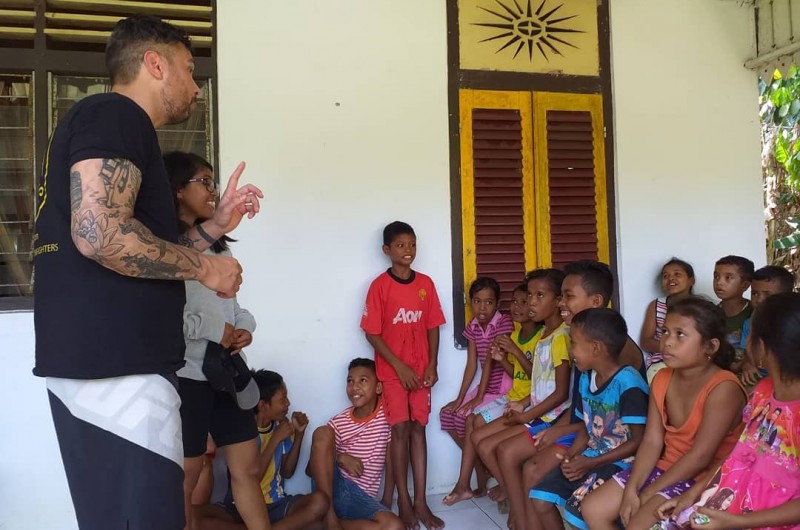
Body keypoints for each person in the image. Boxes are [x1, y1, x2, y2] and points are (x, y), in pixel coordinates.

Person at [32, 15, 262, 529]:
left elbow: (135, 250)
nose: (196, 86)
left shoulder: (110, 125)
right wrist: (206, 266)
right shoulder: (115, 114)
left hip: (113, 365)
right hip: (116, 370)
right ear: (155, 64)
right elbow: (100, 234)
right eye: (188, 67)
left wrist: (211, 229)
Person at [165, 150, 268, 530]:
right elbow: (166, 321)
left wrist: (244, 329)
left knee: (247, 468)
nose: (212, 191)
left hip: (227, 373)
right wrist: (215, 332)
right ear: (177, 189)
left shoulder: (218, 245)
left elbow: (234, 307)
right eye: (203, 182)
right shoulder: (165, 250)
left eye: (212, 182)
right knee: (187, 478)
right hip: (191, 375)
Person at [582, 297, 747, 530]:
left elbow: (701, 456)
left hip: (703, 477)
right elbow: (651, 441)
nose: (667, 342)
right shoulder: (661, 378)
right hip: (666, 466)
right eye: (665, 332)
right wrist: (632, 488)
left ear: (710, 346)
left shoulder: (723, 388)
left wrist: (649, 491)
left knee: (637, 524)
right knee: (593, 508)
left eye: (680, 334)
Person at [655, 293, 800, 530]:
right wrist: (692, 494)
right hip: (730, 504)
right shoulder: (763, 392)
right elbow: (740, 451)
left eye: (750, 333)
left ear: (763, 346)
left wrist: (737, 522)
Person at [528, 308, 649, 530]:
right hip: (592, 455)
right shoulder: (587, 377)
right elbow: (587, 424)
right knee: (540, 498)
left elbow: (638, 442)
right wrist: (572, 455)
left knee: (578, 512)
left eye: (573, 343)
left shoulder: (628, 384)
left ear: (595, 348)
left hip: (621, 463)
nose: (570, 349)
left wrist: (590, 463)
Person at [360, 221, 446, 530]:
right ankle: (404, 502)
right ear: (386, 250)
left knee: (418, 430)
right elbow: (372, 333)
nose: (407, 250)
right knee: (399, 430)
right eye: (400, 245)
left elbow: (433, 325)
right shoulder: (379, 287)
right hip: (394, 371)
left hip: (421, 370)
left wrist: (432, 364)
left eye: (411, 244)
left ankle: (421, 501)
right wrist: (398, 366)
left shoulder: (426, 283)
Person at [475, 269, 572, 530]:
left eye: (540, 295)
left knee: (505, 451)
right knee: (486, 443)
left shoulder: (561, 337)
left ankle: (520, 518)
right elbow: (541, 383)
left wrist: (527, 413)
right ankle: (519, 516)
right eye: (530, 295)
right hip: (536, 412)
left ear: (558, 300)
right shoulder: (545, 335)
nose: (531, 302)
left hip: (551, 419)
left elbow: (562, 392)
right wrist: (524, 404)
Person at [441, 282, 540, 506]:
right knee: (449, 415)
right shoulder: (474, 326)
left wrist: (477, 398)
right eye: (477, 301)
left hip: (503, 388)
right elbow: (472, 365)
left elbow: (490, 365)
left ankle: (467, 481)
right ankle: (481, 470)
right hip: (486, 389)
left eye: (489, 302)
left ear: (497, 304)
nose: (482, 308)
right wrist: (460, 398)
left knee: (469, 419)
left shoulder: (504, 324)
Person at [197, 370, 328, 530]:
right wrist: (274, 440)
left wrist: (299, 435)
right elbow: (251, 479)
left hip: (276, 504)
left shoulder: (280, 428)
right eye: (282, 398)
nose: (288, 403)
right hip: (239, 507)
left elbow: (287, 472)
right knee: (194, 516)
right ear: (263, 405)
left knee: (321, 502)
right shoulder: (241, 434)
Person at [308, 358, 403, 530]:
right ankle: (328, 518)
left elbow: (392, 460)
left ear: (379, 387)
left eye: (363, 380)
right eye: (350, 381)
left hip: (361, 500)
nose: (355, 387)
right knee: (322, 432)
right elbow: (310, 470)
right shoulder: (338, 423)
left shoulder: (387, 416)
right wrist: (340, 458)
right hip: (332, 491)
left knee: (394, 526)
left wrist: (387, 499)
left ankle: (320, 524)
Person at [639, 258, 695, 381]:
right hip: (661, 361)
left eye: (677, 274)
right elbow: (645, 341)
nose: (671, 279)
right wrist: (672, 348)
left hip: (692, 360)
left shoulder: (700, 306)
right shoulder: (656, 305)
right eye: (665, 276)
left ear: (691, 280)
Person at [739, 265, 795, 386]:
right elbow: (747, 353)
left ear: (786, 296)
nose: (759, 300)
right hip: (759, 376)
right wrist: (747, 364)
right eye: (754, 293)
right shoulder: (749, 323)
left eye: (767, 295)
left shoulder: (792, 325)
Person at [712, 255, 754, 369]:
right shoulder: (711, 313)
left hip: (747, 369)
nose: (719, 282)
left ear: (744, 285)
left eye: (728, 277)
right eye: (716, 276)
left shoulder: (754, 312)